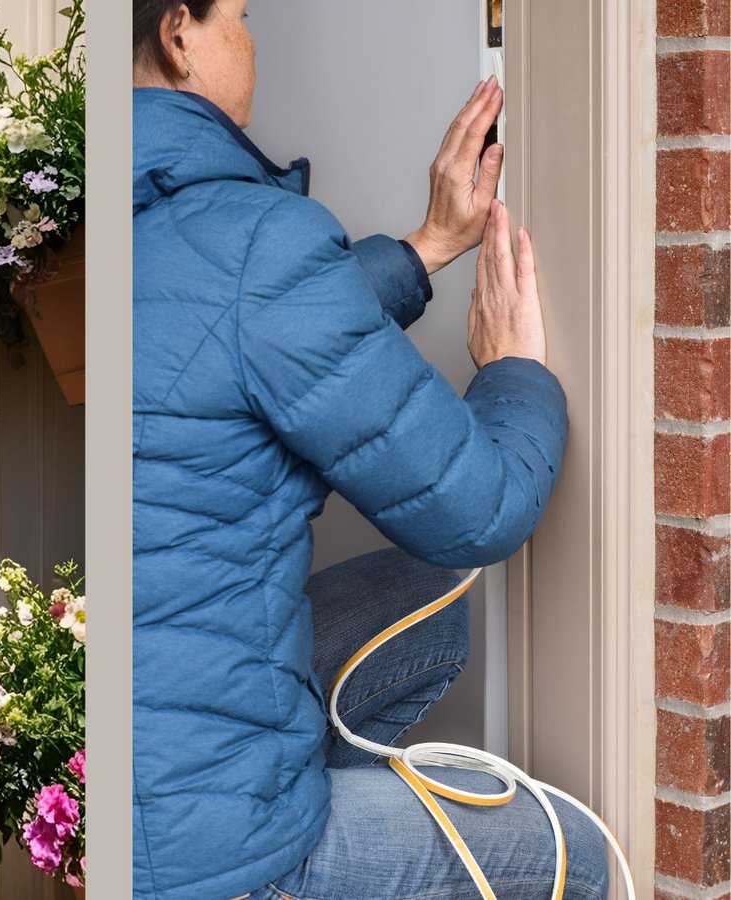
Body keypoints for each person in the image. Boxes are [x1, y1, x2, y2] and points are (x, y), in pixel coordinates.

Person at [130, 1, 610, 898]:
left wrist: (428, 247)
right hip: (217, 858)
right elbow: (481, 510)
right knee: (575, 853)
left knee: (429, 600)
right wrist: (514, 373)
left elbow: (222, 331)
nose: (252, 41)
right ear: (179, 34)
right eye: (237, 15)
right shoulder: (250, 235)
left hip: (146, 773)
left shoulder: (107, 224)